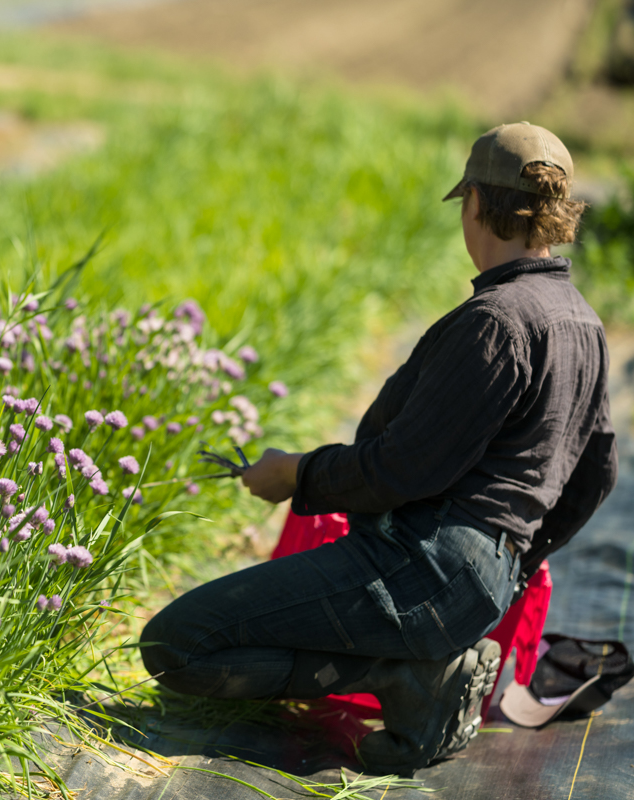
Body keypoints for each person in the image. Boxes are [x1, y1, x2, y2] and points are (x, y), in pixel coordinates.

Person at [139, 122, 618, 774]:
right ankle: (416, 671)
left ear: (476, 203)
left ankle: (408, 679)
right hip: (479, 580)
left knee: (176, 645)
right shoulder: (585, 326)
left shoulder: (497, 321)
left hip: (417, 566)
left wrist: (296, 475)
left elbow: (402, 470)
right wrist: (519, 561)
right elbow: (596, 475)